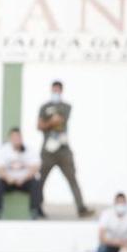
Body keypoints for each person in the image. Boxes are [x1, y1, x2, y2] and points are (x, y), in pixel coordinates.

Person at [37, 80, 92, 217]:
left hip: (63, 149)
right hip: (47, 151)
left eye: (57, 90)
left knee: (72, 178)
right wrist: (50, 122)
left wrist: (48, 122)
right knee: (40, 181)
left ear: (61, 91)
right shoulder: (44, 107)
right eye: (53, 90)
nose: (55, 92)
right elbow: (40, 125)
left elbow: (59, 121)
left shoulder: (66, 106)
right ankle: (37, 208)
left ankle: (81, 208)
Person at [0, 128, 42, 220]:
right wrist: (8, 178)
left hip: (25, 180)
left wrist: (24, 178)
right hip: (9, 181)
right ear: (10, 138)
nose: (16, 139)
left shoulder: (30, 150)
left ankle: (34, 211)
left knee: (36, 184)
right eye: (14, 137)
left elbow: (35, 167)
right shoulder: (4, 150)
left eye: (18, 137)